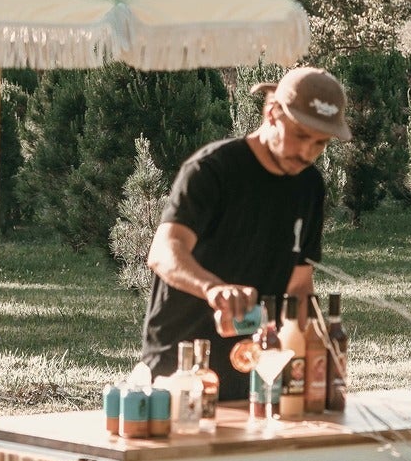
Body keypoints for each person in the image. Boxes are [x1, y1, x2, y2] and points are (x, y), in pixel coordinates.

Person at [142, 65, 350, 399]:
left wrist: (315, 352)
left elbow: (299, 287)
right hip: (183, 367)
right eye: (300, 136)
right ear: (272, 113)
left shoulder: (310, 185)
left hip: (261, 371)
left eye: (321, 143)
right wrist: (214, 289)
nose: (308, 152)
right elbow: (164, 252)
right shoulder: (211, 170)